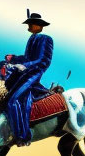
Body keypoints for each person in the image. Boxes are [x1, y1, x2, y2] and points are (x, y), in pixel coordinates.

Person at [4, 12, 54, 146]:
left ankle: (23, 136)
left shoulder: (46, 39)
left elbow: (44, 60)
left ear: (39, 25)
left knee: (13, 100)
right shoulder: (31, 39)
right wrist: (13, 58)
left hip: (34, 74)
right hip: (25, 72)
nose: (29, 26)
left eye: (31, 24)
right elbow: (27, 58)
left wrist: (24, 66)